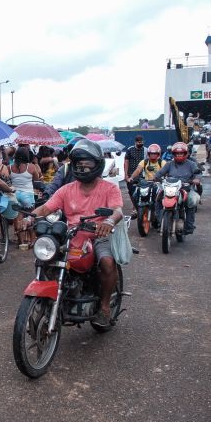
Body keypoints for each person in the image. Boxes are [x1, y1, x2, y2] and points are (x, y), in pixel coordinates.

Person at [26, 139, 124, 328]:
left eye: (88, 166)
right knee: (46, 258)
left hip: (98, 235)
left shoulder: (109, 188)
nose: (83, 169)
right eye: (79, 165)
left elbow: (117, 210)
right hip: (72, 235)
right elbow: (46, 208)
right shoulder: (66, 189)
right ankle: (53, 297)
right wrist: (30, 218)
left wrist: (109, 221)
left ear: (97, 166)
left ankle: (104, 307)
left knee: (107, 262)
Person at [153, 142, 201, 235]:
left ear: (185, 154)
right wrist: (156, 177)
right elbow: (160, 173)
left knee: (191, 200)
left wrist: (196, 179)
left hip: (185, 188)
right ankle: (160, 221)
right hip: (170, 188)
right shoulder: (169, 164)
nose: (179, 155)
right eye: (177, 154)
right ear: (174, 154)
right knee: (158, 198)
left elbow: (197, 174)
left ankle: (189, 225)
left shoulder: (191, 164)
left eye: (181, 153)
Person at [10, 146, 41, 247]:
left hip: (15, 195)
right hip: (27, 195)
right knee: (30, 218)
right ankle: (32, 241)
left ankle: (21, 242)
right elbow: (36, 181)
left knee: (18, 220)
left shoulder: (10, 167)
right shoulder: (31, 167)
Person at [123, 135, 145, 217]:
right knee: (132, 193)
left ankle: (139, 208)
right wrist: (126, 175)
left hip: (142, 175)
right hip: (131, 175)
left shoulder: (145, 150)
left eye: (142, 142)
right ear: (135, 142)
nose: (140, 143)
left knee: (142, 193)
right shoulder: (130, 150)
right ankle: (135, 207)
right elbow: (126, 162)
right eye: (139, 142)